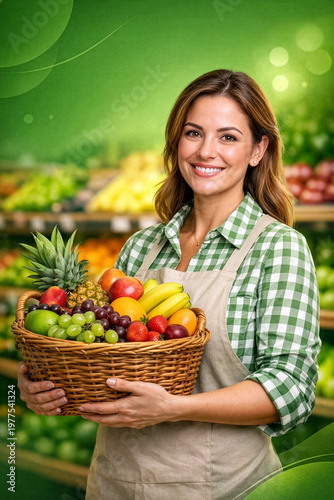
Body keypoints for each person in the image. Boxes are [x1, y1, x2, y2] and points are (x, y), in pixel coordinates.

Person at [17, 69, 320, 500]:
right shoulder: (142, 248)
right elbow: (105, 358)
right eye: (193, 133)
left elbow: (291, 387)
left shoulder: (277, 248)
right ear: (177, 141)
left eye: (229, 137)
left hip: (223, 488)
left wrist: (175, 408)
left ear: (258, 149)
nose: (206, 151)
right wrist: (46, 386)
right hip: (114, 484)